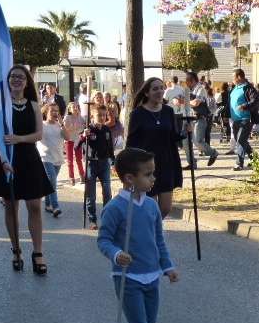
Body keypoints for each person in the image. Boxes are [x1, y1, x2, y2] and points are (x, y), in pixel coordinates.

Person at [98, 147, 179, 323]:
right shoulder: (115, 208)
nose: (153, 179)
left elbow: (158, 240)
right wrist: (116, 254)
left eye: (153, 173)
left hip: (151, 276)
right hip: (127, 278)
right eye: (148, 174)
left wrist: (167, 266)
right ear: (129, 178)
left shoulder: (152, 207)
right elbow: (104, 240)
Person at [0, 65, 54, 275]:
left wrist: (19, 139)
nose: (16, 80)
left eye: (21, 77)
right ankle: (16, 250)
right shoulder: (2, 106)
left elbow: (39, 135)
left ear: (27, 82)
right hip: (8, 158)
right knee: (11, 206)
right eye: (13, 76)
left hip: (29, 158)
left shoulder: (34, 105)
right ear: (8, 80)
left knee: (35, 206)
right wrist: (4, 159)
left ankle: (38, 252)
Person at [126, 77, 183, 218]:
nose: (160, 91)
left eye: (162, 88)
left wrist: (185, 132)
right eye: (155, 89)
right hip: (146, 166)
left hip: (166, 163)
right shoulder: (137, 114)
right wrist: (129, 167)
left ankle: (154, 228)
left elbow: (173, 136)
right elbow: (131, 143)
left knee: (165, 208)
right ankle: (153, 230)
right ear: (147, 93)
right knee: (150, 209)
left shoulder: (168, 111)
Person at [82, 104, 114, 230]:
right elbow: (77, 145)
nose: (102, 117)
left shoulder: (106, 130)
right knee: (91, 194)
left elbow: (110, 146)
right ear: (92, 116)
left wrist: (113, 160)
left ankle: (106, 218)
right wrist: (84, 136)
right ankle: (92, 219)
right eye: (99, 115)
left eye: (104, 115)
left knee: (107, 192)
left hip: (104, 163)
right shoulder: (88, 129)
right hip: (91, 163)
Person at [184, 71, 218, 169]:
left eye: (187, 81)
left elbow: (196, 103)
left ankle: (213, 153)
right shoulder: (190, 90)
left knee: (198, 142)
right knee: (185, 142)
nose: (186, 83)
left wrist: (184, 101)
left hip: (199, 119)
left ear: (192, 81)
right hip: (189, 119)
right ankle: (192, 163)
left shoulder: (201, 89)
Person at [38, 103, 65, 218]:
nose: (55, 113)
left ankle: (47, 204)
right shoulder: (41, 125)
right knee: (53, 182)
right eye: (52, 110)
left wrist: (62, 123)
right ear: (46, 112)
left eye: (56, 111)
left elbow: (68, 137)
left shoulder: (60, 126)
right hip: (45, 158)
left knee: (50, 183)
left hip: (57, 158)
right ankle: (55, 206)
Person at [229, 69, 257, 170]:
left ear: (239, 77)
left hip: (246, 119)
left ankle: (239, 164)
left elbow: (255, 101)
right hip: (235, 120)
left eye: (234, 77)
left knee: (240, 140)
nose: (232, 79)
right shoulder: (234, 88)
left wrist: (244, 106)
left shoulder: (248, 88)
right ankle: (255, 159)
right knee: (241, 140)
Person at [63, 102, 86, 185]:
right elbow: (65, 129)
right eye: (73, 107)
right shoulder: (67, 117)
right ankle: (71, 177)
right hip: (69, 140)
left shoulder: (81, 118)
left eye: (77, 107)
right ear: (69, 109)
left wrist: (77, 128)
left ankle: (82, 175)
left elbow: (83, 128)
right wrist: (74, 128)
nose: (76, 108)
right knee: (70, 160)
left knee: (79, 159)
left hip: (77, 140)